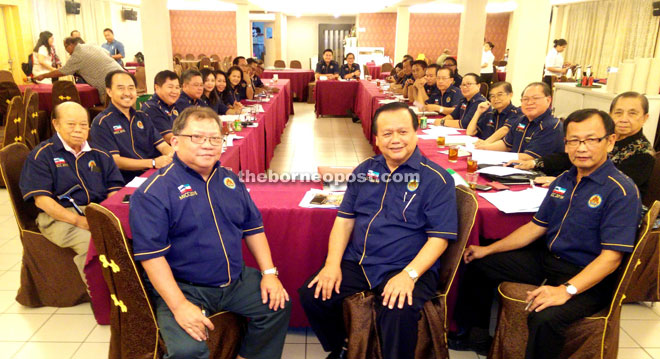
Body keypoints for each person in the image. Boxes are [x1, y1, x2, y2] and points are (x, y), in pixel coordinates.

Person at [451, 108, 641, 359]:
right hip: (549, 260)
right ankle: (475, 337)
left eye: (591, 139)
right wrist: (488, 249)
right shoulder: (564, 179)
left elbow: (611, 258)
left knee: (545, 317)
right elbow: (535, 227)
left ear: (610, 141)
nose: (581, 148)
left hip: (589, 275)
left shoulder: (621, 191)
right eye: (574, 140)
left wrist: (566, 290)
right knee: (479, 262)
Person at [299, 102, 458, 359]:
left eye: (403, 132)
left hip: (407, 264)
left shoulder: (436, 179)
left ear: (416, 132)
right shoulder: (365, 171)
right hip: (360, 261)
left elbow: (439, 239)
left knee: (396, 312)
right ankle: (343, 345)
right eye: (387, 133)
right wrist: (332, 264)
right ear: (376, 137)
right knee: (313, 295)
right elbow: (344, 220)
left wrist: (409, 275)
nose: (395, 140)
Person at [130, 106, 290, 359]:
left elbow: (253, 228)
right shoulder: (154, 193)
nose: (208, 145)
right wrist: (180, 305)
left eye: (215, 138)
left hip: (234, 281)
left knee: (278, 305)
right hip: (185, 287)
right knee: (186, 351)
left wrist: (269, 273)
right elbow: (152, 257)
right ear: (175, 142)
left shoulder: (229, 180)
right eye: (197, 138)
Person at [19, 101, 124, 286]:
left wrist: (107, 214)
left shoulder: (99, 153)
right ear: (56, 124)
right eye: (71, 124)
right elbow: (42, 201)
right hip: (58, 217)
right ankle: (103, 298)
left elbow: (114, 188)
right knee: (92, 243)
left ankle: (134, 290)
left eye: (83, 124)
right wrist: (79, 221)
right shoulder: (41, 155)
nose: (78, 129)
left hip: (97, 211)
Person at [510, 92, 655, 197]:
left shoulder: (643, 153)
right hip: (580, 193)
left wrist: (561, 181)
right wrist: (535, 162)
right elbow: (569, 156)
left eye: (632, 113)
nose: (624, 119)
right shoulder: (604, 136)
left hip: (612, 208)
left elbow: (611, 186)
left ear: (645, 118)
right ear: (610, 114)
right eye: (618, 112)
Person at [91, 70, 173, 182]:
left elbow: (162, 145)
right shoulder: (102, 122)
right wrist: (152, 162)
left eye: (131, 88)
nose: (127, 93)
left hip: (153, 173)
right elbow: (115, 160)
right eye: (121, 88)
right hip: (126, 180)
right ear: (109, 91)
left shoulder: (142, 116)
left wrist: (170, 154)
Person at [475, 82, 564, 160]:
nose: (529, 103)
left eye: (535, 98)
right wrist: (484, 148)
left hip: (536, 175)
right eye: (525, 99)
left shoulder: (552, 126)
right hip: (515, 168)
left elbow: (529, 157)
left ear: (548, 100)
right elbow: (506, 145)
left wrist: (493, 156)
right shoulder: (521, 120)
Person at [33, 37, 124, 101]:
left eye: (65, 47)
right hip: (124, 77)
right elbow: (108, 54)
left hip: (110, 89)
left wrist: (44, 76)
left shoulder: (77, 55)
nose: (66, 50)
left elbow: (62, 71)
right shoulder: (92, 45)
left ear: (71, 45)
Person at [142, 70, 181, 144]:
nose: (175, 91)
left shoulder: (174, 105)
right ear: (157, 87)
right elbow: (169, 138)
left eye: (177, 87)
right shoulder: (151, 108)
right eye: (170, 87)